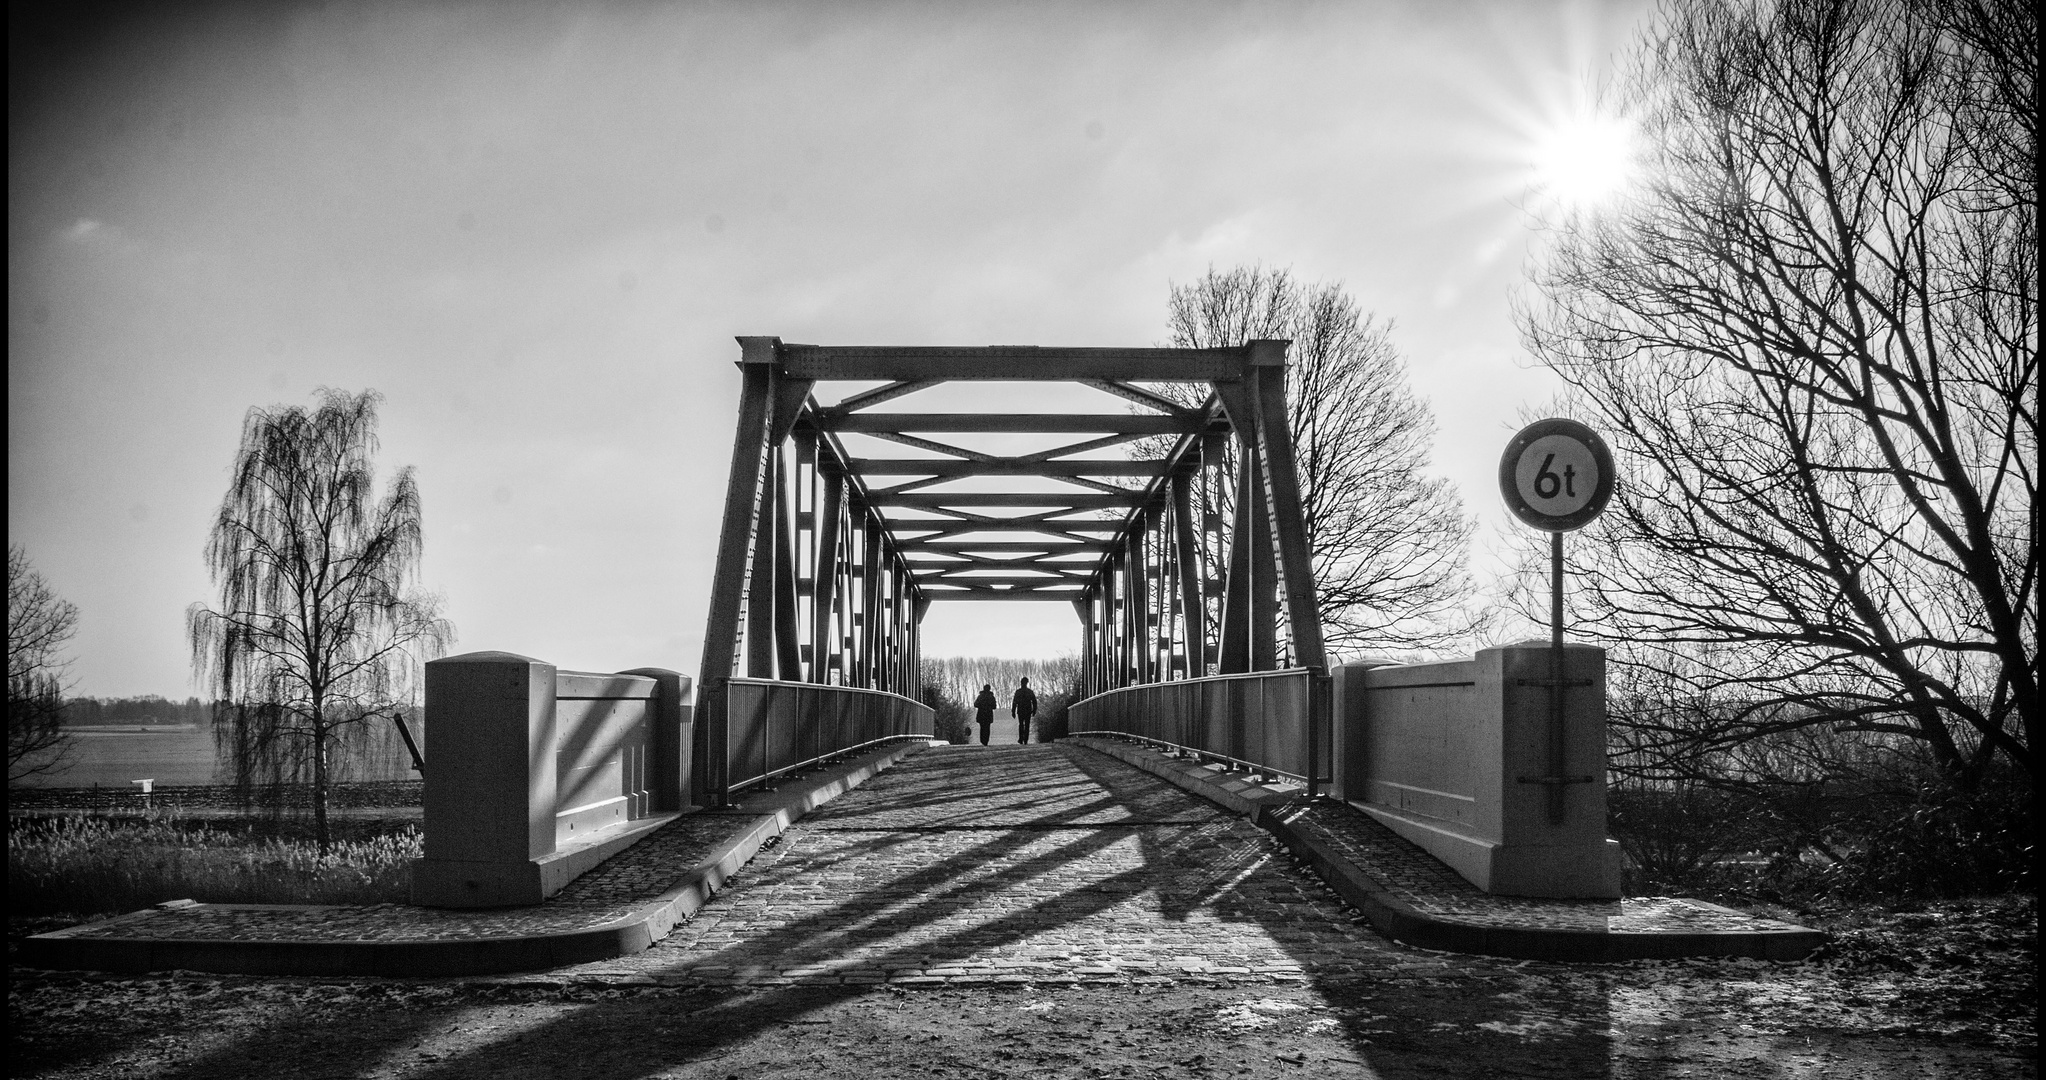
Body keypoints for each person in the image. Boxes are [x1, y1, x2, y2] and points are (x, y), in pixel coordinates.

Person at [1011, 677, 1038, 744]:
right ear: (1027, 683)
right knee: (1027, 725)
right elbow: (1034, 701)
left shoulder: (1018, 692)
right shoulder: (1029, 692)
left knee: (1021, 725)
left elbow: (1014, 702)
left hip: (1020, 710)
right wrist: (1034, 710)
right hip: (1028, 710)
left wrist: (1013, 711)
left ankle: (1021, 738)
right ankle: (1025, 739)